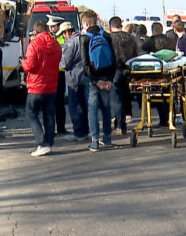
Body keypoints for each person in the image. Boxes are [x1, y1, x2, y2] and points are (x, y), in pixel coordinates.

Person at [22, 21, 62, 157]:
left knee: (31, 113)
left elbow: (29, 66)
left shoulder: (33, 45)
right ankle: (49, 142)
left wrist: (22, 62)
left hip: (36, 86)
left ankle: (42, 142)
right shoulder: (56, 45)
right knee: (49, 115)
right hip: (51, 86)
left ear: (35, 32)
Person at [80, 10, 117, 152]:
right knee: (106, 108)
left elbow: (85, 63)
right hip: (107, 77)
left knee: (92, 109)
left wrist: (95, 81)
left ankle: (94, 141)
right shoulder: (106, 36)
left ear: (86, 23)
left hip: (92, 79)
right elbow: (113, 59)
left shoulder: (84, 38)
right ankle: (107, 138)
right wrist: (110, 80)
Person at [59, 21, 89, 141]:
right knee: (83, 105)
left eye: (63, 34)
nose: (63, 37)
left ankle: (78, 132)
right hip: (84, 76)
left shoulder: (71, 43)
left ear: (67, 32)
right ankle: (85, 130)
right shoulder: (83, 39)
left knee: (74, 106)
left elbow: (65, 63)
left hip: (73, 77)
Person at [108, 16, 139, 136]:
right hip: (128, 70)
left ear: (111, 26)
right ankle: (123, 122)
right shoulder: (130, 38)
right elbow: (135, 54)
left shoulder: (109, 39)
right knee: (125, 97)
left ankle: (120, 126)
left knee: (116, 100)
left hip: (114, 70)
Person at [141, 22, 174, 127]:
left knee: (156, 96)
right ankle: (170, 119)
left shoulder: (150, 42)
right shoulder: (170, 41)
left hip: (155, 75)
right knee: (169, 96)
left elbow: (143, 52)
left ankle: (163, 120)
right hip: (169, 73)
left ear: (153, 30)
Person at [46, 15, 69, 135]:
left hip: (60, 73)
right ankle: (51, 129)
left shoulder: (63, 38)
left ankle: (61, 127)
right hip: (51, 73)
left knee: (59, 102)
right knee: (50, 103)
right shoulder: (49, 38)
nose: (51, 29)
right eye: (49, 26)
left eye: (53, 26)